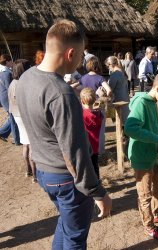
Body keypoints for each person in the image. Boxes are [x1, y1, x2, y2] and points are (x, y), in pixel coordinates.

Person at [16, 19, 112, 249]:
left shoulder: (26, 78)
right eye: (80, 56)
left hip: (44, 172)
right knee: (75, 239)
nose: (81, 63)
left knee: (66, 227)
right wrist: (99, 193)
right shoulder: (62, 94)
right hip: (67, 179)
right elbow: (76, 153)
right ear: (70, 53)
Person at [124, 71, 158, 240]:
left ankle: (155, 214)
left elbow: (150, 127)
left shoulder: (152, 101)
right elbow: (131, 128)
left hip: (152, 155)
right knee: (145, 194)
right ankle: (149, 226)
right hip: (141, 158)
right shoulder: (141, 102)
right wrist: (157, 139)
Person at [8, 59, 37, 183]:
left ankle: (28, 171)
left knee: (25, 144)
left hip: (17, 115)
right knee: (31, 145)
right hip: (23, 115)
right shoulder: (21, 83)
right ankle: (35, 175)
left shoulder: (13, 82)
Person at [80, 87, 102, 179]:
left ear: (82, 101)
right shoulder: (98, 114)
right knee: (95, 165)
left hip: (84, 146)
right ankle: (97, 183)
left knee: (85, 168)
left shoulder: (81, 114)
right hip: (95, 145)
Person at [0, 54, 20, 144]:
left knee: (12, 117)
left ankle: (2, 132)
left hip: (4, 97)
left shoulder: (5, 71)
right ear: (7, 62)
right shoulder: (6, 73)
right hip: (7, 98)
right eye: (11, 61)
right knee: (13, 117)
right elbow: (10, 89)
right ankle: (17, 140)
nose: (12, 62)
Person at [106, 56, 130, 125]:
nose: (108, 68)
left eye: (108, 66)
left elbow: (110, 89)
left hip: (118, 100)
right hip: (125, 97)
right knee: (125, 118)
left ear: (110, 65)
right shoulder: (122, 72)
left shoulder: (115, 74)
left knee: (120, 121)